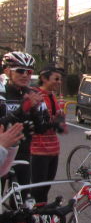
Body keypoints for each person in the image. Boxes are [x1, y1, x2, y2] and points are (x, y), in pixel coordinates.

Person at [2, 51, 47, 193]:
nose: (25, 75)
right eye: (20, 71)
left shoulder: (31, 93)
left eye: (29, 71)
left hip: (23, 154)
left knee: (23, 207)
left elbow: (40, 129)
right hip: (2, 152)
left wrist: (34, 110)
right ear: (7, 71)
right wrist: (22, 109)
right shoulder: (2, 92)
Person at [29, 65, 67, 203]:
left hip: (53, 149)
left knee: (45, 188)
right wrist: (54, 122)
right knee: (37, 190)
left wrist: (60, 122)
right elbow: (39, 124)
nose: (59, 82)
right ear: (44, 78)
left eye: (60, 79)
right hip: (38, 150)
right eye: (56, 79)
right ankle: (36, 220)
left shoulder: (52, 96)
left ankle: (42, 218)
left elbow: (54, 120)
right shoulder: (36, 95)